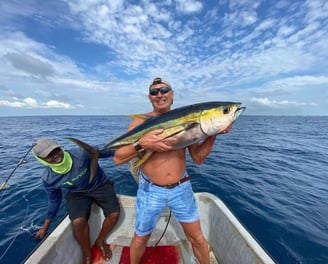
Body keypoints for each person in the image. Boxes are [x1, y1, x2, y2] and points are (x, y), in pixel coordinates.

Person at [114, 77, 223, 264]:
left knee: (197, 238)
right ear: (149, 98)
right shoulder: (140, 122)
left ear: (172, 95)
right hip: (150, 190)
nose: (159, 95)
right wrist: (142, 143)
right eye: (154, 92)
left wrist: (213, 134)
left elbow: (198, 158)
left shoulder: (186, 119)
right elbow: (118, 158)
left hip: (181, 188)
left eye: (164, 90)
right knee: (140, 238)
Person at [32, 137, 120, 264]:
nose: (56, 156)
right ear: (42, 160)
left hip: (100, 184)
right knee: (78, 222)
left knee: (114, 214)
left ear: (60, 147)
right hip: (77, 193)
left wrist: (134, 149)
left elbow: (106, 152)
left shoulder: (80, 154)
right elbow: (54, 201)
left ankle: (100, 241)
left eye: (56, 150)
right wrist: (45, 228)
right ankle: (87, 253)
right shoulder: (49, 178)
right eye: (49, 155)